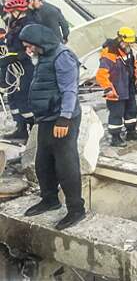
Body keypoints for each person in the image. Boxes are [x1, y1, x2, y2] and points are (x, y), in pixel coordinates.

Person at [19, 24, 85, 230]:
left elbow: (69, 90)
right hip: (47, 119)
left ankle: (76, 209)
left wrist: (64, 118)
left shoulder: (62, 56)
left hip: (62, 119)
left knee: (66, 164)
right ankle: (50, 199)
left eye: (30, 46)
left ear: (40, 42)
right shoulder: (44, 56)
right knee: (43, 162)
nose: (28, 50)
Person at [96, 27, 137, 147]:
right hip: (116, 90)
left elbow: (132, 66)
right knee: (116, 114)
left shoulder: (127, 51)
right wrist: (108, 89)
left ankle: (131, 132)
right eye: (127, 42)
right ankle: (115, 138)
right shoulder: (109, 53)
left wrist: (135, 80)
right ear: (120, 39)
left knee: (131, 111)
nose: (129, 45)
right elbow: (101, 74)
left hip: (128, 88)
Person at [0, 0, 36, 140]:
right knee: (13, 98)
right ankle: (20, 128)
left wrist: (11, 57)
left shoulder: (29, 25)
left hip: (25, 67)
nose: (9, 15)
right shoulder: (14, 23)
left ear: (19, 11)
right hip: (13, 67)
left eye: (12, 12)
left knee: (23, 99)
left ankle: (33, 130)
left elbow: (29, 50)